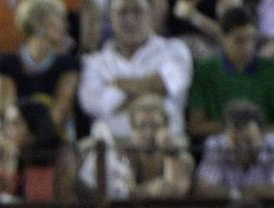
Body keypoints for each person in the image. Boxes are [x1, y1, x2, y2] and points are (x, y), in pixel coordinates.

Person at [78, 0, 193, 139]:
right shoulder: (94, 62)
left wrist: (116, 84)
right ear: (110, 17)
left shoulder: (174, 50)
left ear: (151, 14)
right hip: (113, 149)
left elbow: (166, 85)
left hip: (166, 146)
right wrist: (151, 91)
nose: (130, 20)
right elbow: (98, 104)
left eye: (137, 11)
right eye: (122, 13)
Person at [187, 6, 274, 139]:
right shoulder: (205, 70)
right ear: (223, 39)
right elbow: (196, 125)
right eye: (240, 41)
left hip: (265, 145)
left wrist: (257, 136)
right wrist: (237, 133)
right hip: (221, 145)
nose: (248, 47)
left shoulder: (272, 70)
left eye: (251, 39)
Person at [78, 93, 194, 197]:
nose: (148, 133)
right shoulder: (122, 156)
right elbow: (122, 195)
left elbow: (175, 191)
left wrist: (170, 154)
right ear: (132, 130)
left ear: (167, 128)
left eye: (155, 125)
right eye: (142, 126)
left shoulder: (182, 158)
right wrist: (149, 190)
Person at [0, 0, 80, 135]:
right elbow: (6, 112)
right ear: (40, 24)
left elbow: (59, 115)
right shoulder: (6, 64)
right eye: (60, 19)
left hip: (53, 141)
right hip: (15, 138)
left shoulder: (68, 65)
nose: (66, 26)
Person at [194, 100, 274, 198]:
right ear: (225, 137)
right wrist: (239, 194)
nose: (242, 147)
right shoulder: (216, 145)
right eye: (235, 141)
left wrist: (242, 193)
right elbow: (204, 188)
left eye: (248, 140)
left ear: (262, 136)